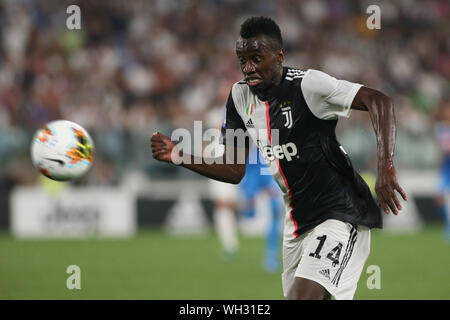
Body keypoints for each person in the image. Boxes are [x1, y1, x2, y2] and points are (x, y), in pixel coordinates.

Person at [151, 16, 407, 300]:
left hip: (341, 212)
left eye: (256, 59)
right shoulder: (238, 98)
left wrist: (385, 166)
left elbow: (379, 100)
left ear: (279, 56)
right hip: (298, 222)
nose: (248, 69)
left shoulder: (309, 86)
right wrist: (178, 154)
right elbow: (234, 170)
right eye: (242, 60)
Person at [239, 146, 283, 272]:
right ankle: (271, 256)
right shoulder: (256, 152)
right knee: (269, 214)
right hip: (270, 180)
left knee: (276, 214)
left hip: (281, 180)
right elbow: (250, 172)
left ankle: (272, 256)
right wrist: (250, 193)